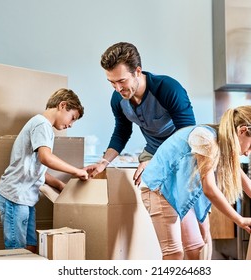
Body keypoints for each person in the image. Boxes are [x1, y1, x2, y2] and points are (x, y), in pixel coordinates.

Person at [84, 41, 212, 259]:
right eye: (111, 83)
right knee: (176, 238)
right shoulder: (118, 99)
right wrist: (104, 162)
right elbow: (121, 133)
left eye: (122, 81)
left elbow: (187, 134)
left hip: (185, 155)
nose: (117, 88)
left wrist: (157, 162)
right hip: (153, 155)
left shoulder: (168, 89)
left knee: (200, 232)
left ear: (138, 72)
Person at [140, 105, 251, 260]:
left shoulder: (225, 145)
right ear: (242, 131)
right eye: (250, 146)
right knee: (174, 252)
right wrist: (240, 219)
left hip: (178, 190)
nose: (247, 153)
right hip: (159, 188)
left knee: (195, 247)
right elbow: (210, 189)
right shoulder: (206, 138)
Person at [0, 88, 88, 253]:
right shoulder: (41, 124)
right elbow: (45, 158)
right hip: (15, 197)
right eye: (72, 118)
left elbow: (36, 169)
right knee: (17, 251)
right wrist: (76, 171)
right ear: (62, 105)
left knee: (31, 246)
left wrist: (59, 184)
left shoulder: (43, 126)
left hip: (26, 198)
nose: (70, 124)